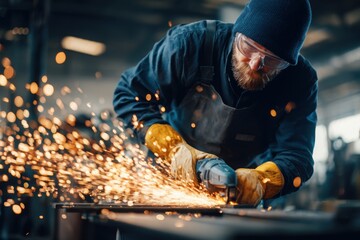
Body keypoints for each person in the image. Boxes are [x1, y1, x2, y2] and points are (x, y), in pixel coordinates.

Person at [113, 0, 318, 206]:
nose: (256, 64)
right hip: (166, 178)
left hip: (240, 197)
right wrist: (173, 148)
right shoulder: (190, 44)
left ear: (288, 62)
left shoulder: (299, 81)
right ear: (236, 34)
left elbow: (297, 155)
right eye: (248, 47)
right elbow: (129, 94)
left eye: (272, 60)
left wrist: (261, 181)